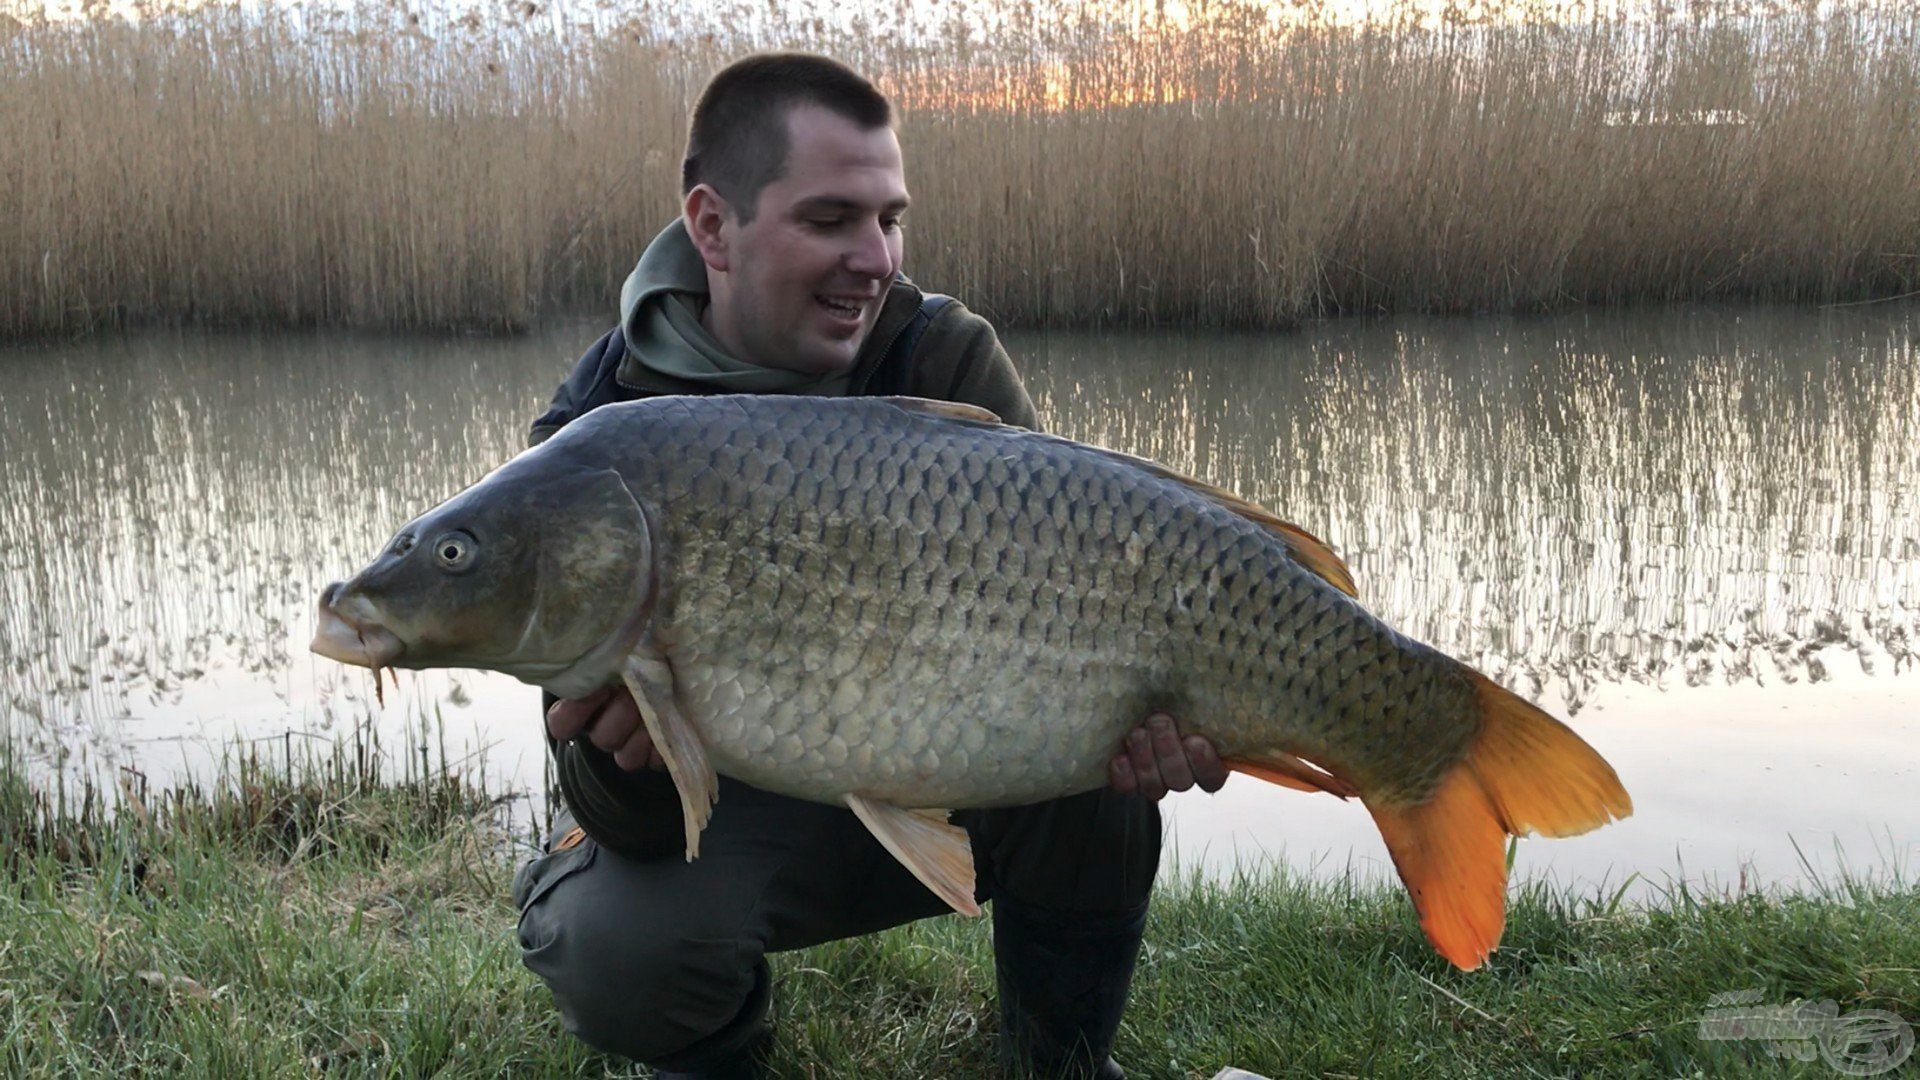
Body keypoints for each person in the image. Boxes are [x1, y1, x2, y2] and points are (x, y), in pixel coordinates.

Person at [511, 53, 1228, 1079]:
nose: (877, 258)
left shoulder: (944, 357)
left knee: (1108, 773)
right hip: (739, 818)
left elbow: (1081, 605)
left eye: (889, 219)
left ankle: (1057, 1056)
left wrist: (1152, 714)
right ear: (713, 227)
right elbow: (616, 813)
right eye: (830, 220)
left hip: (950, 751)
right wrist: (623, 753)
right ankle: (717, 1049)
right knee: (611, 945)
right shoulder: (595, 438)